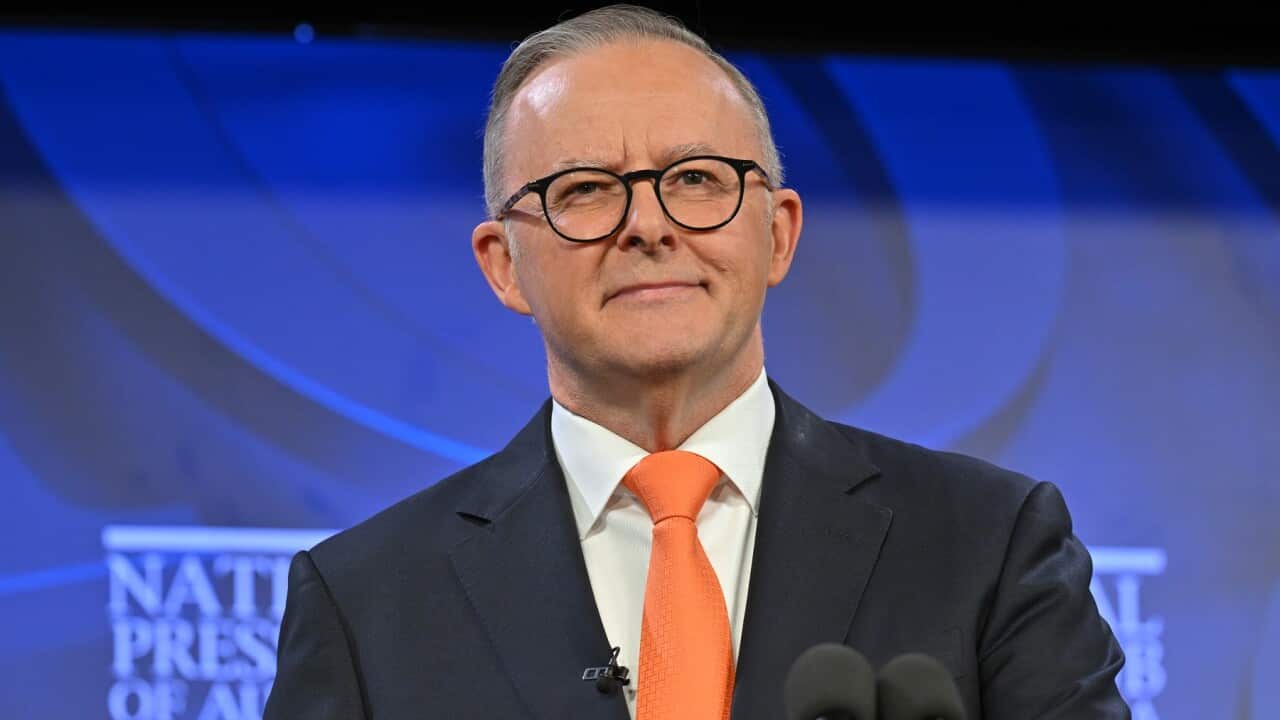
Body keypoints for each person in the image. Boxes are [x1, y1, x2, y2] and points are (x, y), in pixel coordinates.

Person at [264, 5, 1129, 719]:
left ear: (779, 233)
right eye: (584, 190)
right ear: (503, 265)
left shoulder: (989, 544)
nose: (649, 225)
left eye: (698, 179)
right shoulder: (363, 603)